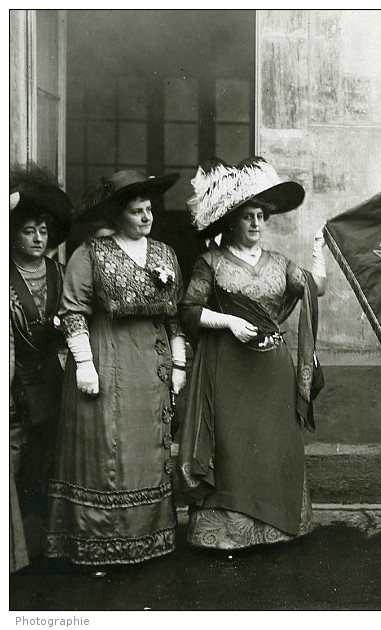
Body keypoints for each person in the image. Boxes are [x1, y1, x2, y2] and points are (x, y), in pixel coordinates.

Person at [177, 157, 325, 550]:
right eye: (248, 216)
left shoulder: (279, 263)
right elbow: (188, 310)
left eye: (261, 216)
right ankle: (227, 536)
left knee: (274, 444)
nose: (257, 223)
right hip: (228, 369)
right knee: (232, 448)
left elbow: (315, 288)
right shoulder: (211, 262)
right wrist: (228, 323)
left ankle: (278, 527)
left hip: (273, 369)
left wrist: (320, 250)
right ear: (231, 222)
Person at [45, 169, 185, 574]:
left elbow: (173, 313)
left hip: (151, 368)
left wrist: (178, 360)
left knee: (146, 451)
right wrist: (85, 363)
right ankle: (103, 543)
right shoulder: (91, 253)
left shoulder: (165, 253)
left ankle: (150, 538)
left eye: (149, 210)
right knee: (110, 451)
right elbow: (72, 311)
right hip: (108, 361)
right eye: (136, 211)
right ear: (117, 215)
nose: (146, 218)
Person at [9, 164, 73, 571]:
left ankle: (48, 544)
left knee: (51, 460)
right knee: (12, 460)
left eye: (43, 231)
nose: (37, 238)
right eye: (28, 229)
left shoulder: (59, 273)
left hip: (52, 382)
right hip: (14, 383)